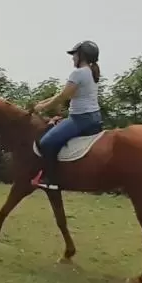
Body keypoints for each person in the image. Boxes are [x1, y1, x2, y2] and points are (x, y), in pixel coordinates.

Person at [29, 40, 104, 188]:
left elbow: (63, 96)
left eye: (74, 55)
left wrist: (42, 107)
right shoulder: (91, 72)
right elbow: (62, 94)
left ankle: (51, 179)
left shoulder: (78, 73)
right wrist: (43, 102)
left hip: (80, 119)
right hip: (95, 119)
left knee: (46, 143)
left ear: (81, 56)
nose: (72, 58)